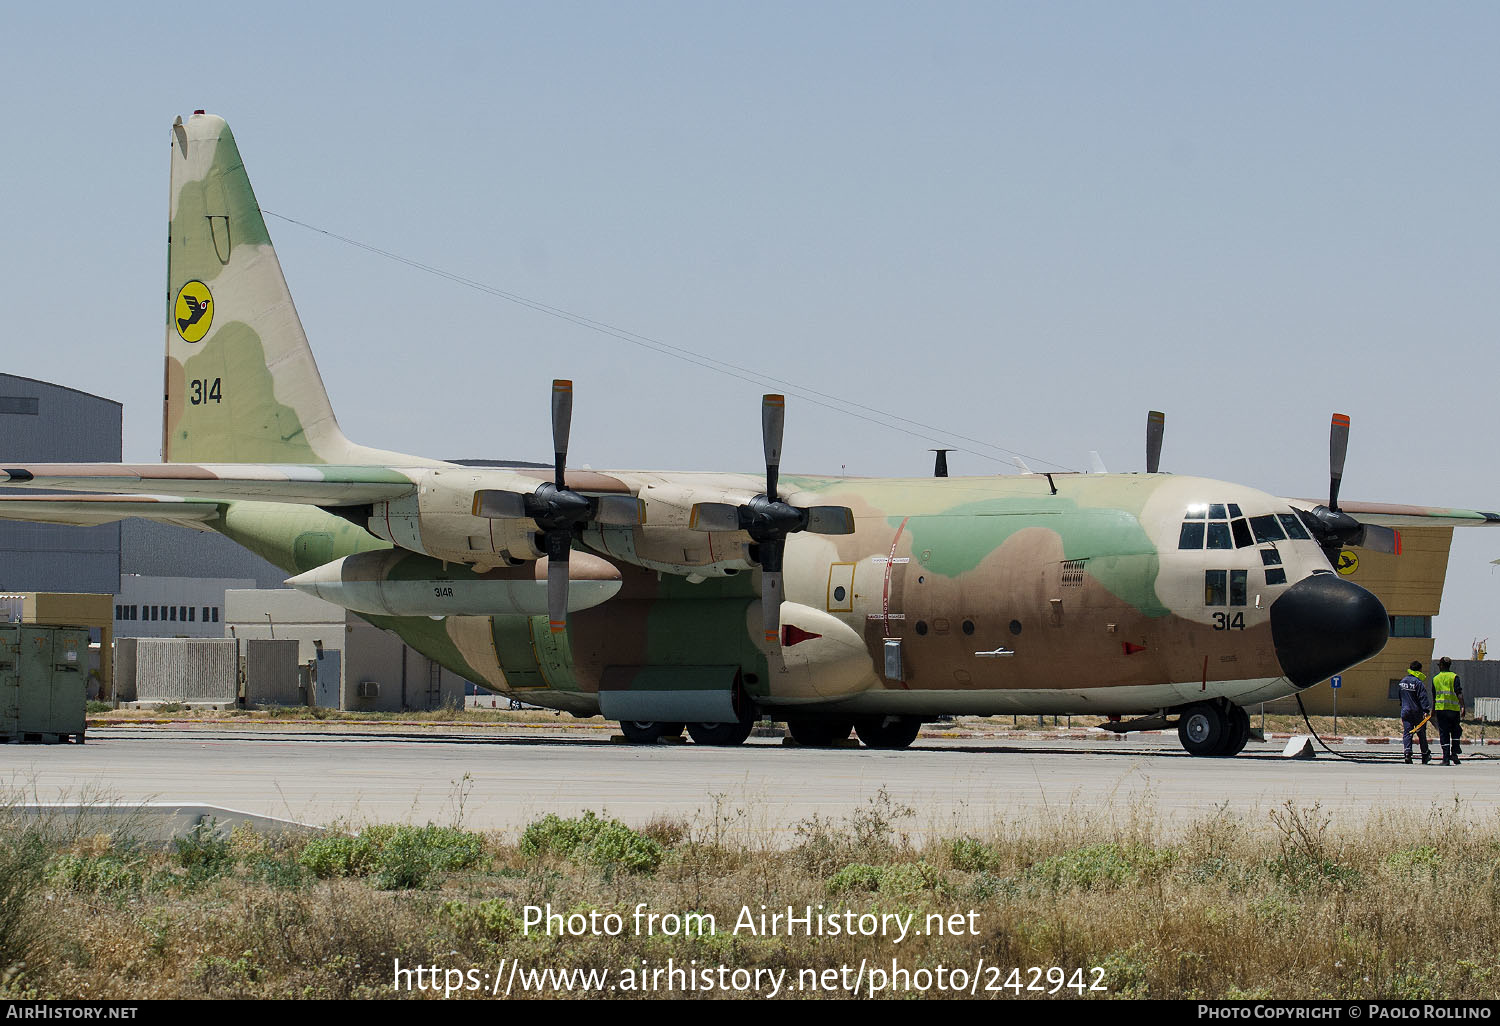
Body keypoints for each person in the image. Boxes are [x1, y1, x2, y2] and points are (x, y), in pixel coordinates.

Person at [1431, 656, 1465, 766]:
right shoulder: (1455, 677)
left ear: (1441, 665)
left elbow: (1434, 697)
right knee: (1456, 731)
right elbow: (1458, 693)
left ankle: (1446, 759)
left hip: (1441, 709)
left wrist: (1433, 710)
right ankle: (1454, 753)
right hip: (1454, 710)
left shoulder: (1435, 679)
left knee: (1444, 733)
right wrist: (1463, 706)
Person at [1397, 660, 1432, 765]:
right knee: (1421, 733)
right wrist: (1426, 710)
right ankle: (1425, 754)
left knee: (1407, 732)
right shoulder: (1418, 683)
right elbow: (1423, 697)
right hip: (1417, 712)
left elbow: (1400, 695)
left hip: (1405, 711)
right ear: (1419, 670)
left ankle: (1407, 753)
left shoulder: (1402, 681)